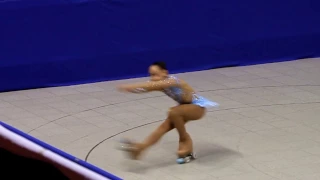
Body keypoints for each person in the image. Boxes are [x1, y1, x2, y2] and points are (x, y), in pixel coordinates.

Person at [117, 61, 219, 162]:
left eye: (155, 74)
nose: (152, 78)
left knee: (173, 112)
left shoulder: (173, 81)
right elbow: (143, 89)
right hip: (183, 109)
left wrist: (129, 86)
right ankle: (140, 149)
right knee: (163, 127)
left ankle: (184, 139)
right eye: (151, 75)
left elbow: (149, 86)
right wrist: (132, 90)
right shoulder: (160, 84)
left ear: (165, 73)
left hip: (197, 108)